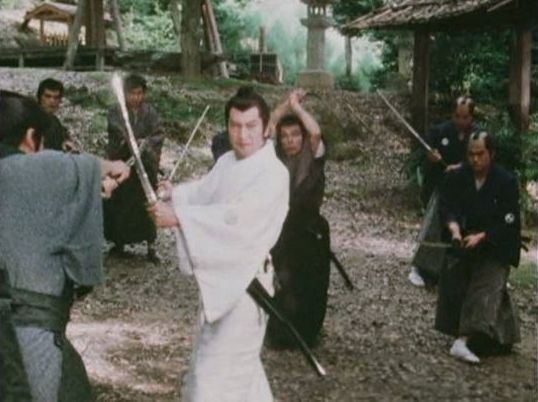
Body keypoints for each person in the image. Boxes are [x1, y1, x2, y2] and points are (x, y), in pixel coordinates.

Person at [149, 86, 289, 401]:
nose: (242, 135)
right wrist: (175, 194)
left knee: (213, 379)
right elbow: (204, 193)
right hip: (224, 284)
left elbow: (236, 221)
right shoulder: (228, 161)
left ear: (266, 128)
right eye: (235, 126)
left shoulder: (273, 174)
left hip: (246, 288)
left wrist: (178, 217)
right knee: (239, 378)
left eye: (251, 126)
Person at [0, 90, 130, 401]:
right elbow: (94, 167)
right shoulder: (28, 169)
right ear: (31, 138)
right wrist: (113, 168)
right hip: (26, 333)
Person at [435, 131, 520, 364]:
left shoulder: (506, 181)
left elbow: (508, 220)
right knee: (458, 280)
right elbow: (448, 207)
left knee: (486, 285)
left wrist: (483, 236)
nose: (475, 159)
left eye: (480, 154)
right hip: (465, 240)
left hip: (495, 244)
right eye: (471, 154)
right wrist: (454, 230)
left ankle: (464, 340)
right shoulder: (458, 176)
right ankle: (488, 336)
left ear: (491, 153)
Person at [265, 89, 330, 348]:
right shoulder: (275, 160)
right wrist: (286, 105)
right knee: (282, 281)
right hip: (282, 230)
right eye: (285, 136)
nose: (290, 140)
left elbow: (315, 133)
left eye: (295, 135)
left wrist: (298, 108)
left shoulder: (312, 158)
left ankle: (307, 333)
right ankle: (281, 333)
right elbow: (267, 127)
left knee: (310, 286)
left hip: (309, 232)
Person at [408, 96, 478, 287]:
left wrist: (461, 167)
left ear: (472, 117)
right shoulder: (441, 131)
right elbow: (426, 149)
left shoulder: (478, 136)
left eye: (465, 117)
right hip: (443, 188)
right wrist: (431, 156)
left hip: (469, 191)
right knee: (434, 227)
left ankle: (470, 272)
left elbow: (482, 161)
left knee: (469, 229)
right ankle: (420, 269)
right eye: (457, 116)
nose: (461, 121)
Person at [104, 73, 164, 262]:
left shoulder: (151, 113)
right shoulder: (116, 111)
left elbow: (158, 134)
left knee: (147, 204)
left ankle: (151, 246)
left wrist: (145, 144)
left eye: (139, 93)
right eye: (132, 93)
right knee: (120, 203)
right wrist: (128, 141)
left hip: (145, 166)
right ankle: (119, 243)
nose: (136, 97)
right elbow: (116, 131)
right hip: (123, 164)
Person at [36, 78, 80, 153]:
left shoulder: (54, 120)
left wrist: (65, 142)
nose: (52, 101)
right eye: (48, 96)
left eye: (56, 97)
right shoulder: (31, 119)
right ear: (40, 97)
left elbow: (62, 136)